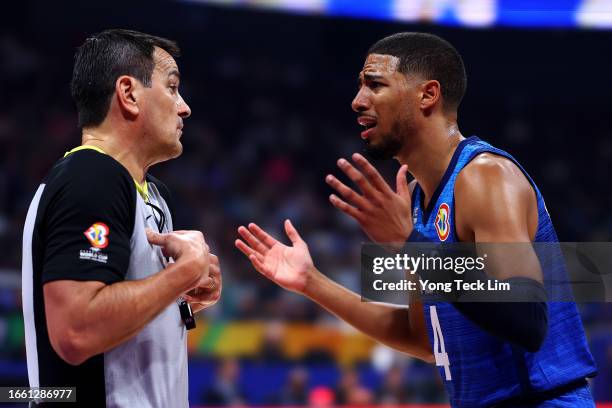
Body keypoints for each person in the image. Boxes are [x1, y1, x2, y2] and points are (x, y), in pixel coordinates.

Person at [235, 32, 597, 407]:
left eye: (375, 85)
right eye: (360, 87)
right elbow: (422, 340)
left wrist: (412, 245)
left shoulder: (486, 176)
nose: (358, 101)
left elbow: (527, 320)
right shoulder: (418, 203)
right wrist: (311, 283)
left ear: (428, 95)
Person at [21, 29, 221, 408]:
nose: (185, 107)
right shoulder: (91, 176)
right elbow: (76, 332)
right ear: (128, 94)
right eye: (173, 87)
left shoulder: (150, 192)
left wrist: (181, 301)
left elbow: (115, 326)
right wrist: (182, 273)